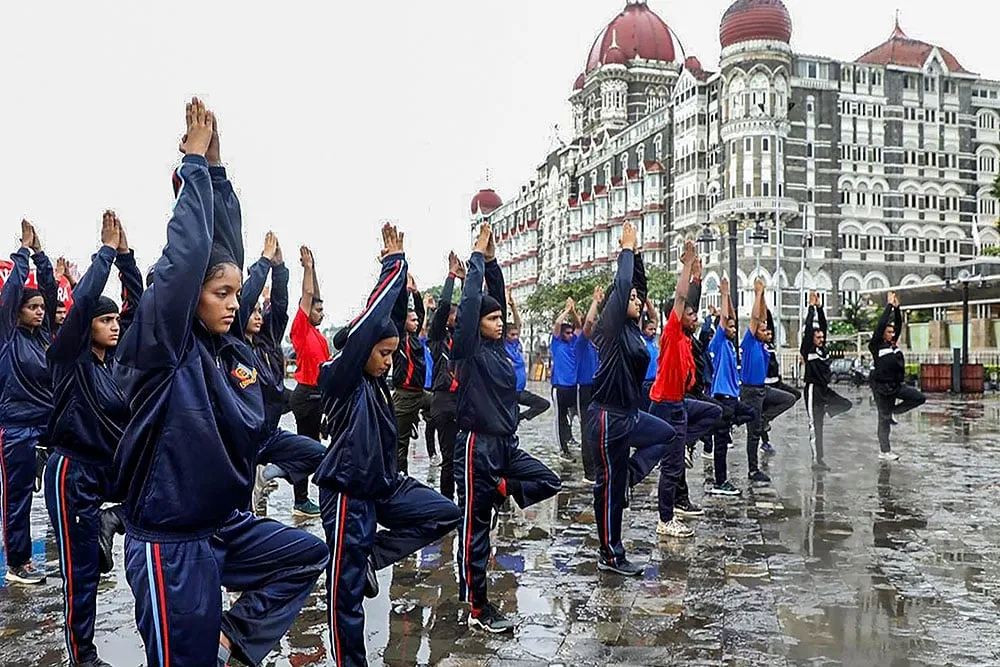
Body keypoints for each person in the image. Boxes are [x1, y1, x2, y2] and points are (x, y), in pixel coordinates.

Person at [112, 100, 328, 667]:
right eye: (221, 295)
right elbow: (187, 261)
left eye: (238, 295)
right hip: (169, 544)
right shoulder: (163, 343)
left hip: (222, 531)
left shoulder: (227, 348)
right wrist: (192, 167)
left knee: (304, 555)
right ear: (188, 298)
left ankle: (233, 638)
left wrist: (220, 168)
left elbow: (222, 251)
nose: (235, 305)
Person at [316, 223, 460, 664]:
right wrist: (392, 266)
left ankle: (370, 559)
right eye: (382, 354)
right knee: (346, 602)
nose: (388, 361)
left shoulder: (378, 378)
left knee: (445, 513)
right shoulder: (340, 377)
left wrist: (405, 277)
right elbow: (371, 328)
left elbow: (389, 325)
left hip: (383, 486)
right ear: (360, 352)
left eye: (392, 354)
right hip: (347, 495)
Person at [44, 211, 142, 667]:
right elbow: (81, 305)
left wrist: (126, 257)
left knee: (158, 496)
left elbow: (138, 308)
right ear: (89, 327)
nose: (114, 325)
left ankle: (111, 522)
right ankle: (82, 654)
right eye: (105, 321)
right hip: (73, 473)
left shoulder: (114, 366)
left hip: (109, 471)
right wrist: (103, 253)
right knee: (81, 571)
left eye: (113, 319)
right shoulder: (69, 359)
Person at [453, 223, 560, 631]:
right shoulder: (469, 349)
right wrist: (476, 259)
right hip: (476, 446)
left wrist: (494, 261)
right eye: (492, 318)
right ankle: (478, 607)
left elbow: (489, 297)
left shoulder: (497, 348)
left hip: (505, 447)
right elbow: (469, 308)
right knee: (476, 530)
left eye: (501, 318)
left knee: (548, 481)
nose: (500, 323)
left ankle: (504, 489)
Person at [584, 222, 672, 573]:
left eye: (638, 298)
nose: (637, 299)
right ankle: (610, 554)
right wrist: (624, 249)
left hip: (629, 415)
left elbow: (636, 284)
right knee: (607, 489)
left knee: (666, 435)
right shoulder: (612, 328)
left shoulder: (635, 333)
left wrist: (637, 256)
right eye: (631, 299)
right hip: (606, 417)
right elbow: (623, 286)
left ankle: (630, 476)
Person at [242, 232, 324, 517]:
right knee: (245, 514)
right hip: (244, 438)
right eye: (250, 311)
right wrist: (263, 262)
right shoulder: (233, 345)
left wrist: (279, 269)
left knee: (320, 455)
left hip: (270, 432)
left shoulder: (267, 341)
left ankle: (266, 478)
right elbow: (243, 304)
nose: (257, 316)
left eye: (258, 312)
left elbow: (279, 304)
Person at [0, 218, 57, 585]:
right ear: (17, 310)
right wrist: (22, 252)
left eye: (41, 307)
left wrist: (41, 255)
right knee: (17, 496)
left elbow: (50, 290)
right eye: (32, 307)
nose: (39, 311)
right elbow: (10, 293)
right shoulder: (6, 336)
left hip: (48, 425)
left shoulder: (44, 337)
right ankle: (18, 562)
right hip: (16, 427)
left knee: (68, 481)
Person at [647, 241, 713, 538]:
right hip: (665, 405)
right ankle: (665, 519)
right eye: (690, 314)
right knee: (671, 468)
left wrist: (699, 276)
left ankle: (684, 442)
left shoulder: (687, 336)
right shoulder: (673, 333)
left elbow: (690, 302)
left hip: (680, 403)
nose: (695, 317)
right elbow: (681, 299)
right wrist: (686, 266)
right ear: (677, 317)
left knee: (715, 413)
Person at [739, 278, 795, 485]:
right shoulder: (750, 341)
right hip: (750, 392)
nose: (765, 331)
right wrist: (758, 294)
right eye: (762, 330)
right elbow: (755, 318)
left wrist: (763, 299)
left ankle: (764, 419)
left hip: (763, 389)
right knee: (753, 434)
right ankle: (753, 470)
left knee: (789, 398)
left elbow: (762, 317)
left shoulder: (764, 344)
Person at [287, 244, 328, 517]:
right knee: (306, 448)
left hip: (319, 396)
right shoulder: (301, 330)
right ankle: (300, 499)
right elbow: (308, 293)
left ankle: (315, 493)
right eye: (317, 310)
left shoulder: (321, 338)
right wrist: (309, 268)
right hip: (305, 395)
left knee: (316, 448)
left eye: (323, 310)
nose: (320, 314)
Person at [706, 277, 756, 496]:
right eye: (731, 327)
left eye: (736, 326)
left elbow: (730, 317)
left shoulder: (729, 344)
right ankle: (720, 482)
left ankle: (725, 426)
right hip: (721, 397)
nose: (734, 329)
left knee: (753, 414)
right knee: (721, 445)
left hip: (732, 399)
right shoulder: (717, 342)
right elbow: (725, 318)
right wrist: (725, 294)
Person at [869, 292, 925, 461]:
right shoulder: (876, 346)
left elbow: (899, 326)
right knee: (883, 420)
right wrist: (889, 307)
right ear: (882, 334)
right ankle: (884, 451)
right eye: (889, 332)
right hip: (881, 386)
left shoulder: (893, 345)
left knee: (918, 397)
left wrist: (898, 308)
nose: (892, 334)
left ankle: (893, 412)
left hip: (896, 385)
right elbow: (880, 326)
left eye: (893, 332)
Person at [801, 291, 853, 469]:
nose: (821, 339)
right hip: (812, 391)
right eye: (818, 337)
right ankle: (817, 460)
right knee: (816, 427)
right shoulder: (808, 349)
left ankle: (826, 409)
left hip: (824, 390)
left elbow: (822, 326)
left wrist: (820, 308)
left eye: (822, 337)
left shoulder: (823, 350)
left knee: (846, 404)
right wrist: (810, 308)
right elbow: (809, 329)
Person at [427, 252, 464, 500]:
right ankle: (447, 503)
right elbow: (441, 310)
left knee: (466, 455)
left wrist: (467, 279)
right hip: (444, 400)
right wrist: (451, 277)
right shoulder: (438, 338)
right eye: (453, 315)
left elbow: (476, 305)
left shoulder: (463, 339)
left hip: (464, 399)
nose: (456, 317)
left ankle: (467, 499)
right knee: (449, 457)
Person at [391, 274, 430, 475]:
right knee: (400, 443)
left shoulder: (414, 337)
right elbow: (397, 313)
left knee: (446, 406)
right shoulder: (398, 336)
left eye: (416, 320)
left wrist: (416, 292)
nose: (416, 323)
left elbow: (421, 313)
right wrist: (404, 292)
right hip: (404, 395)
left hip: (420, 393)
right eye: (412, 320)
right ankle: (400, 476)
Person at [504, 287, 550, 423]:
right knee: (508, 421)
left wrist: (513, 307)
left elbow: (518, 324)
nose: (515, 336)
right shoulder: (502, 345)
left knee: (543, 404)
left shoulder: (516, 343)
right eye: (512, 335)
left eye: (516, 335)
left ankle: (521, 418)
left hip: (520, 391)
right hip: (509, 392)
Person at [760, 309, 801, 453]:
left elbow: (770, 326)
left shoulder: (770, 344)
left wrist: (767, 310)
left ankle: (767, 418)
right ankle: (765, 441)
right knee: (761, 415)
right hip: (765, 384)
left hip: (776, 382)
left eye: (771, 334)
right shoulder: (759, 344)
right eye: (767, 334)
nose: (770, 336)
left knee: (795, 395)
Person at [576, 286, 602, 482]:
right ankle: (589, 471)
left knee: (598, 428)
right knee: (587, 429)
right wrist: (595, 302)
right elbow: (588, 323)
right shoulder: (581, 343)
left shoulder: (599, 345)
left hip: (598, 389)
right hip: (584, 388)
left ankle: (599, 465)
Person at [550, 298, 579, 461]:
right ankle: (563, 449)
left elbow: (580, 326)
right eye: (566, 333)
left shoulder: (575, 343)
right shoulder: (556, 343)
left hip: (574, 386)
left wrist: (573, 311)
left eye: (570, 333)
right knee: (560, 417)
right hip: (559, 387)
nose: (569, 335)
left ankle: (571, 438)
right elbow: (557, 324)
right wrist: (567, 311)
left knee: (576, 415)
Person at [419, 294, 439, 465]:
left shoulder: (437, 344)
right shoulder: (422, 343)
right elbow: (422, 329)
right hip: (426, 387)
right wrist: (425, 309)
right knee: (430, 423)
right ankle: (432, 453)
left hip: (438, 386)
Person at [639, 300, 659, 411]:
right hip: (644, 384)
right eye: (650, 329)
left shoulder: (654, 341)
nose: (653, 331)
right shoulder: (641, 340)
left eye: (654, 329)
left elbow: (654, 318)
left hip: (656, 382)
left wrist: (647, 300)